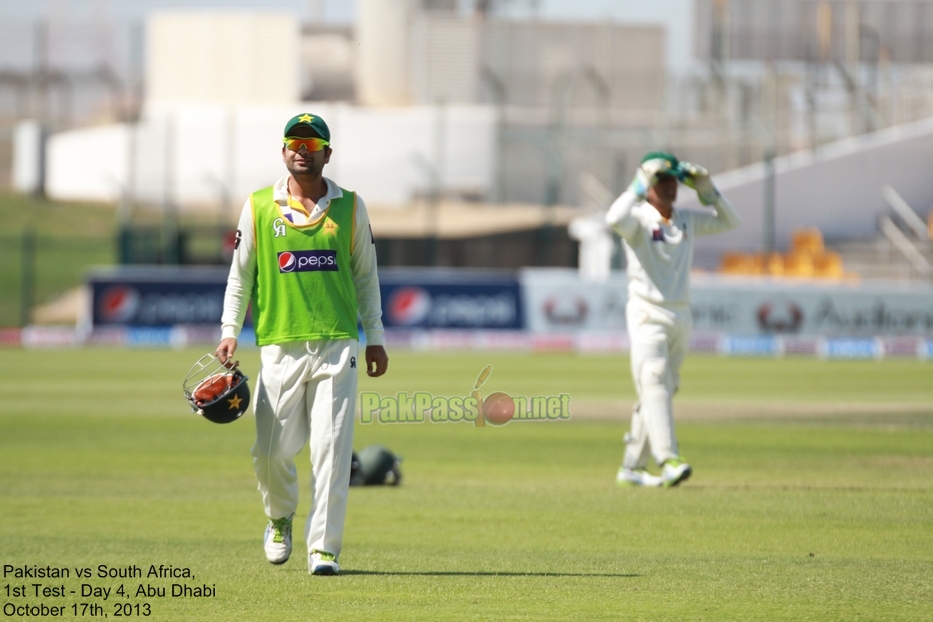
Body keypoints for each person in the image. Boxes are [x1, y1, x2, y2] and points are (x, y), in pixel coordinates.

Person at [214, 112, 389, 575]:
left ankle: (324, 548)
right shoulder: (257, 207)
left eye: (311, 145)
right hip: (279, 345)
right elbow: (240, 277)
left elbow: (367, 278)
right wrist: (230, 332)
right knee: (270, 452)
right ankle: (279, 516)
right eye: (294, 141)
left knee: (331, 450)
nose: (301, 149)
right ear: (283, 150)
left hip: (338, 346)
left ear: (327, 155)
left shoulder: (351, 207)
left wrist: (376, 337)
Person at [606, 152, 740, 488]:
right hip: (646, 313)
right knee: (654, 379)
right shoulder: (636, 218)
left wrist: (707, 189)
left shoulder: (686, 221)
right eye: (662, 180)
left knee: (663, 389)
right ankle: (669, 459)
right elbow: (612, 218)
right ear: (649, 184)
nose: (670, 187)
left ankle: (631, 467)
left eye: (674, 181)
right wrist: (638, 183)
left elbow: (730, 221)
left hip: (681, 315)